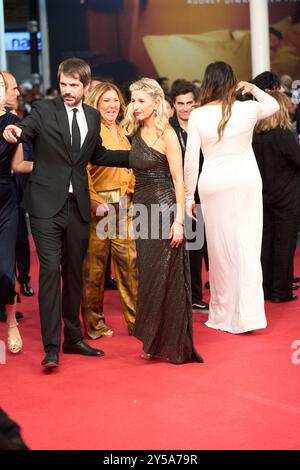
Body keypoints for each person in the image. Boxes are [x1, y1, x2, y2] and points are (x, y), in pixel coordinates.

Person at [2, 58, 129, 369]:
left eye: (74, 85)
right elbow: (28, 129)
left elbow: (97, 154)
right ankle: (51, 347)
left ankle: (73, 338)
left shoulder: (93, 116)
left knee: (73, 273)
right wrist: (16, 129)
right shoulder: (45, 110)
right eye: (63, 84)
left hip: (77, 206)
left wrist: (135, 156)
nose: (68, 90)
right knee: (49, 272)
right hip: (45, 205)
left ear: (86, 87)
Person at [184, 61, 279, 334]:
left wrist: (189, 196)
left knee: (219, 249)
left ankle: (223, 313)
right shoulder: (247, 108)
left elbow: (191, 160)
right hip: (246, 181)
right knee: (247, 246)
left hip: (213, 183)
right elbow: (273, 105)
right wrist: (252, 88)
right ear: (231, 81)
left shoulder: (198, 115)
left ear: (206, 83)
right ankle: (248, 316)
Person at [122, 77, 203, 364]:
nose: (135, 105)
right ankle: (155, 340)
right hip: (143, 211)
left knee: (167, 276)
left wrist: (179, 221)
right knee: (149, 276)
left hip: (165, 208)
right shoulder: (134, 131)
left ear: (157, 103)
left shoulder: (167, 134)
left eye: (141, 100)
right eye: (133, 100)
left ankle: (173, 343)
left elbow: (179, 180)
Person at [81, 82, 137, 338]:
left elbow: (129, 168)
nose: (112, 106)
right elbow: (82, 173)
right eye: (106, 101)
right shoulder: (91, 132)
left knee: (130, 265)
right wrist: (94, 202)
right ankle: (94, 325)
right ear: (95, 104)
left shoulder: (123, 132)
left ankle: (138, 322)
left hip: (124, 207)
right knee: (95, 270)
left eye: (115, 101)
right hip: (100, 209)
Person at [253, 91, 300, 303]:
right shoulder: (283, 135)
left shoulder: (256, 137)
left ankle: (266, 288)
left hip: (263, 195)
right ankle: (281, 291)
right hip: (286, 197)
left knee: (266, 242)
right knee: (284, 243)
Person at [0, 71, 33, 354]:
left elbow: (19, 166)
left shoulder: (13, 122)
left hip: (5, 200)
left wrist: (56, 165)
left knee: (5, 270)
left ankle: (11, 321)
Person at [170, 79, 208, 312]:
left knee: (196, 247)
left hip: (201, 193)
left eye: (189, 103)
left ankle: (195, 294)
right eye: (180, 103)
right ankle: (177, 296)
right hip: (175, 194)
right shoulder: (168, 130)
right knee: (175, 248)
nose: (185, 108)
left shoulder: (202, 127)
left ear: (196, 103)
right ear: (173, 105)